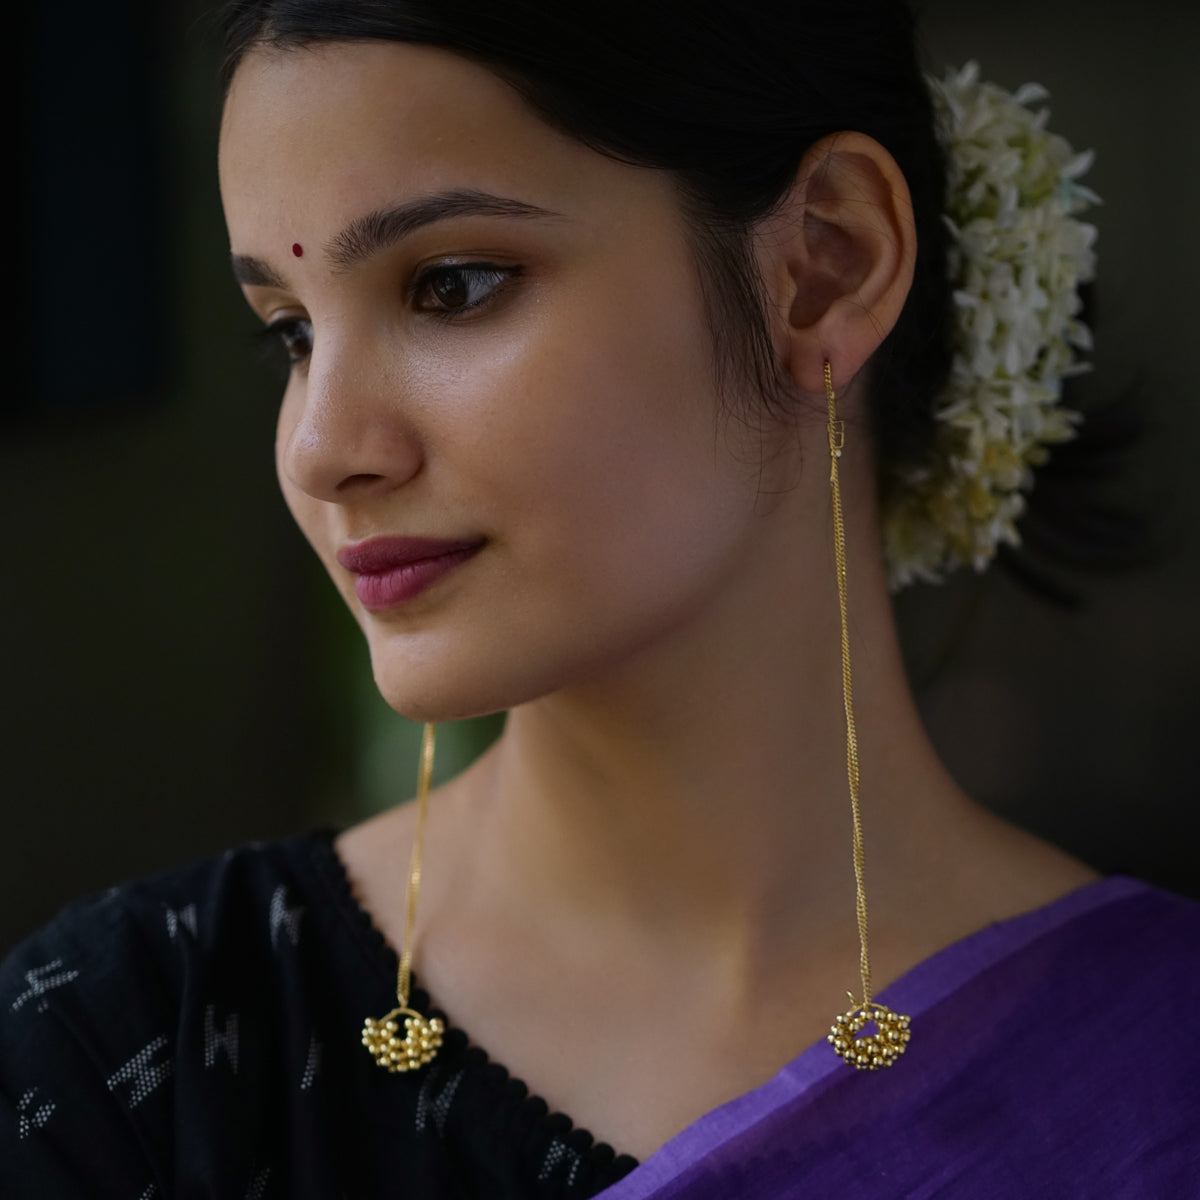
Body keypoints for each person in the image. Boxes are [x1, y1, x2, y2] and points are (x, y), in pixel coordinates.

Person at [3, 2, 1197, 1197]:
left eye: (452, 285)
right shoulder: (130, 1059)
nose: (322, 449)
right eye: (290, 334)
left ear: (824, 268)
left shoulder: (1163, 1071)